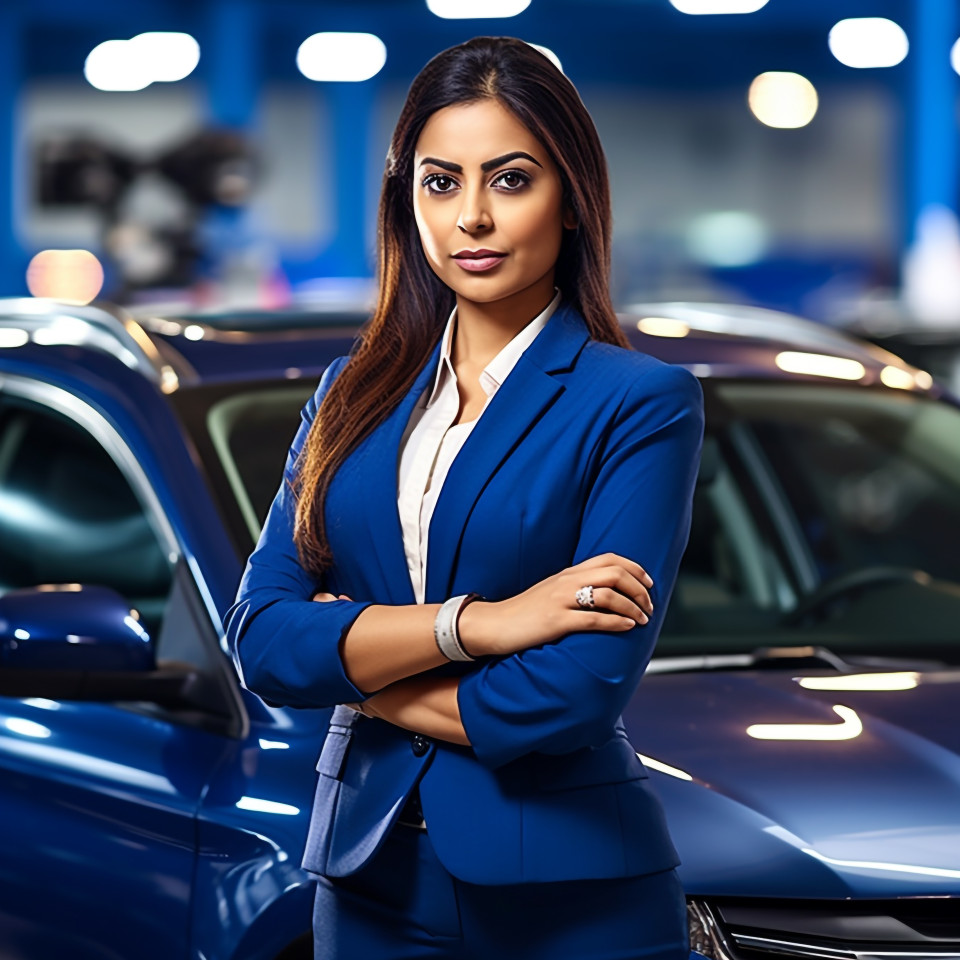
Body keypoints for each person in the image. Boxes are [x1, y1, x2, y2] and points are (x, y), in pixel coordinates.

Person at [224, 35, 704, 960]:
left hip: (572, 899)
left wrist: (359, 676)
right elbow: (264, 639)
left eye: (511, 180)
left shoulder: (640, 401)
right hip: (366, 879)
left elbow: (571, 696)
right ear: (409, 200)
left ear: (572, 201)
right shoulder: (349, 393)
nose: (472, 217)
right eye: (442, 182)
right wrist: (481, 626)